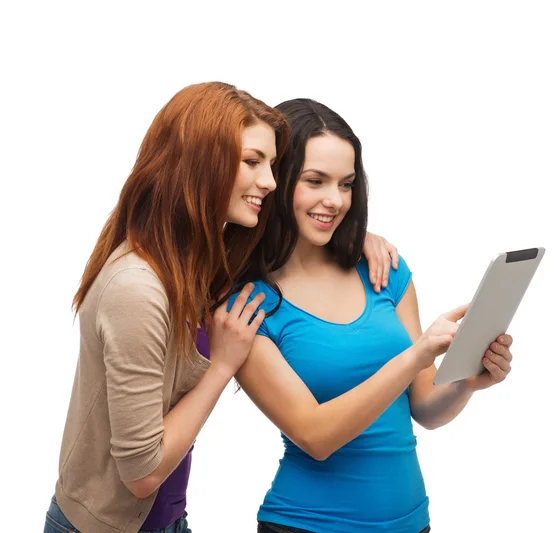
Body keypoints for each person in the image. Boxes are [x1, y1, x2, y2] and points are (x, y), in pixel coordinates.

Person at [44, 83, 397, 533]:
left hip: (169, 520)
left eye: (271, 165)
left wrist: (353, 236)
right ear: (198, 162)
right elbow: (142, 473)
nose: (269, 181)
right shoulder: (138, 288)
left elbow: (282, 245)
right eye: (252, 162)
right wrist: (222, 366)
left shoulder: (201, 261)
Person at [234, 99, 515, 533]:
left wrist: (468, 382)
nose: (335, 200)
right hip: (307, 524)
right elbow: (316, 438)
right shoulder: (249, 305)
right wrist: (416, 356)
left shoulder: (384, 270)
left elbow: (424, 408)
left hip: (412, 522)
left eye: (346, 184)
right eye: (315, 181)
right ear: (278, 179)